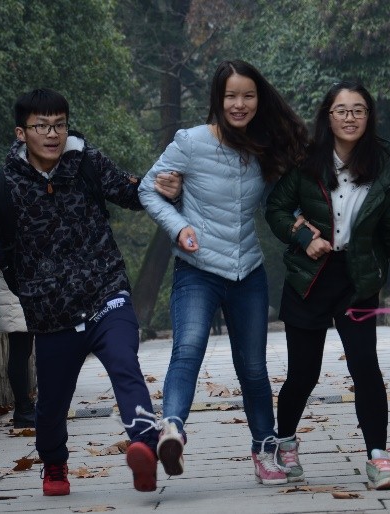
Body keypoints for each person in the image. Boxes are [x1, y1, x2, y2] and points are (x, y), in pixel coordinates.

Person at [0, 88, 182, 496]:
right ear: (21, 133)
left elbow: (131, 192)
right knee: (52, 405)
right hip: (51, 315)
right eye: (42, 126)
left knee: (124, 363)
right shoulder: (1, 185)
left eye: (59, 124)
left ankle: (145, 446)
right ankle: (54, 463)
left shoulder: (86, 162)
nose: (53, 134)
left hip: (105, 292)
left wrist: (162, 186)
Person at [138, 59, 309, 485]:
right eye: (231, 96)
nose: (239, 104)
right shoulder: (190, 142)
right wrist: (179, 227)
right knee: (188, 348)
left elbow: (278, 201)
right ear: (218, 99)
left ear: (258, 99)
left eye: (248, 96)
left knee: (253, 367)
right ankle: (172, 430)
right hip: (197, 269)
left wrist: (304, 224)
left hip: (247, 270)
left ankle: (265, 449)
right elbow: (148, 190)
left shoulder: (264, 146)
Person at [265, 81, 390, 490]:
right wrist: (304, 236)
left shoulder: (388, 168)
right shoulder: (306, 161)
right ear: (328, 116)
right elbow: (277, 208)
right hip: (309, 278)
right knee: (303, 373)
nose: (350, 117)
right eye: (341, 110)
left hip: (359, 280)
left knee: (365, 367)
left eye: (358, 110)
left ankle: (378, 457)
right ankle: (285, 444)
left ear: (369, 117)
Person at [0, 265, 35, 429]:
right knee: (20, 350)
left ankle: (25, 407)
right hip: (14, 286)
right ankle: (23, 409)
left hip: (18, 285)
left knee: (24, 350)